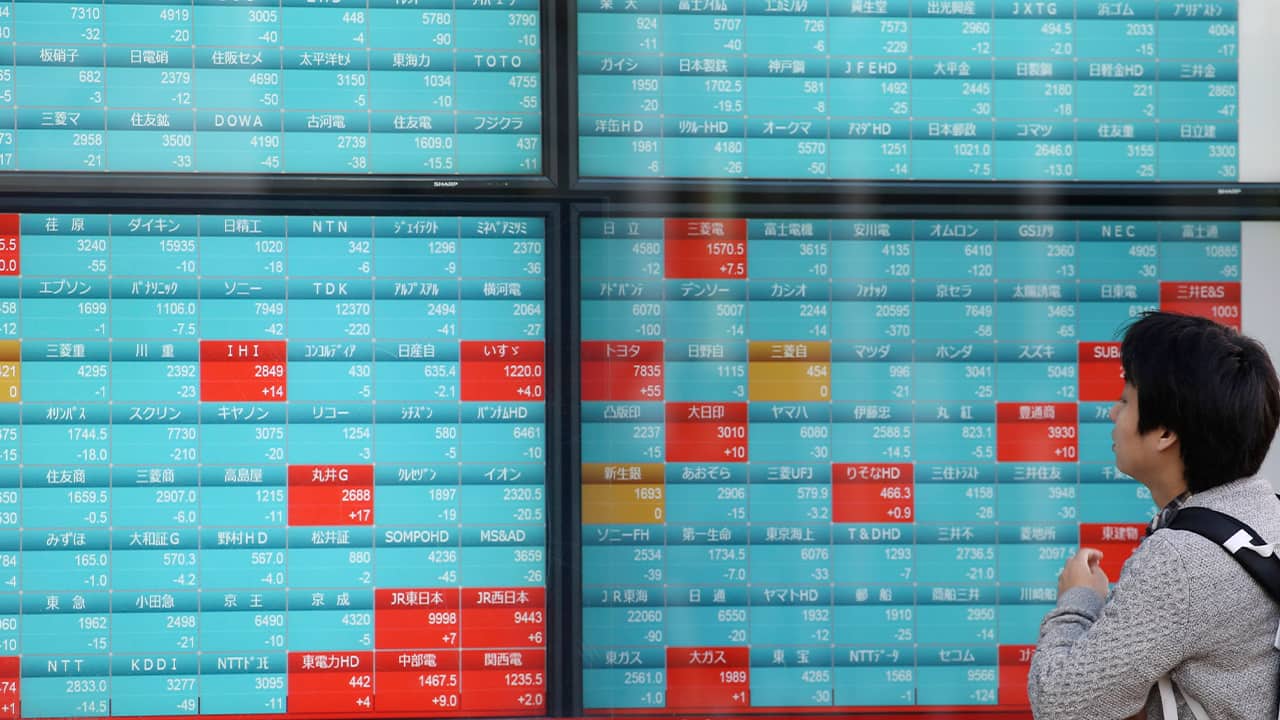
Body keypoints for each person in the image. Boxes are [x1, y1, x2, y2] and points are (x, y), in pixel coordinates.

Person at [1028, 311, 1280, 719]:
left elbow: (1061, 705)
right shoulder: (1266, 515)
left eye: (1126, 400)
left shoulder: (1179, 560)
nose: (1113, 413)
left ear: (1165, 432)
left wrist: (1080, 599)